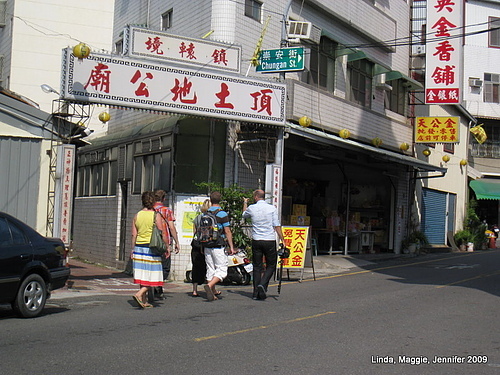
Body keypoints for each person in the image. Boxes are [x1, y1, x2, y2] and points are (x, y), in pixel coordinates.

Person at [243, 189, 285, 300]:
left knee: (257, 266)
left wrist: (245, 203)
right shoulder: (272, 208)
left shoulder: (252, 208)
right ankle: (263, 284)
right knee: (271, 265)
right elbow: (276, 225)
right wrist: (283, 240)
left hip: (256, 240)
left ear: (256, 197)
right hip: (269, 240)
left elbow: (244, 215)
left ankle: (256, 293)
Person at [131, 191, 170, 308]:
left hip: (139, 248)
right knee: (154, 276)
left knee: (143, 275)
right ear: (153, 201)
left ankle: (144, 300)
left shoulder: (137, 215)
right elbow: (161, 232)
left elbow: (134, 234)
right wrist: (166, 246)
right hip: (151, 248)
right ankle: (139, 294)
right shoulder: (155, 215)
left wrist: (132, 250)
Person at [203, 191, 235, 301]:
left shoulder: (205, 214)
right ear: (220, 200)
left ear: (211, 200)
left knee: (210, 268)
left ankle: (212, 292)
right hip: (218, 245)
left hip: (207, 245)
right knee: (222, 269)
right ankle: (210, 285)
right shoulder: (222, 214)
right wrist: (231, 246)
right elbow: (227, 231)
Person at [153, 189, 180, 299]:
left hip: (152, 242)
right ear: (164, 199)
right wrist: (177, 242)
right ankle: (158, 285)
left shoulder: (149, 210)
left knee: (154, 264)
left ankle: (153, 285)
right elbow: (171, 227)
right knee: (165, 267)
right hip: (164, 242)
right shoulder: (167, 210)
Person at [190, 199, 210, 297]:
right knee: (208, 266)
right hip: (206, 244)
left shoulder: (197, 218)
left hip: (196, 244)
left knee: (195, 266)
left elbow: (194, 231)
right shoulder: (210, 218)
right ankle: (210, 288)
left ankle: (194, 290)